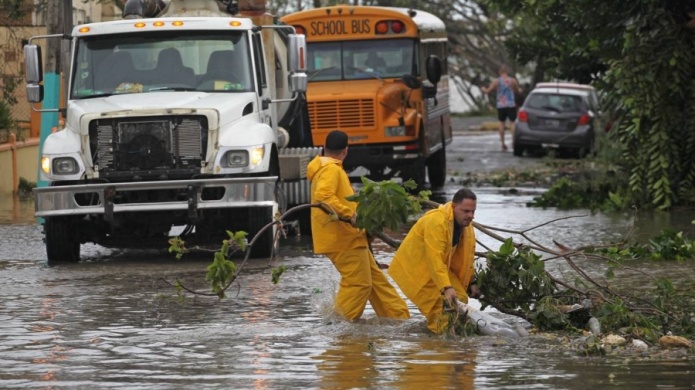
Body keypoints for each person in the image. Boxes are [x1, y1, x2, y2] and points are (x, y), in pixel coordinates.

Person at [306, 130, 410, 321]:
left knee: (376, 281)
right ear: (346, 150)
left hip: (351, 237)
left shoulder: (327, 167)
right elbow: (323, 197)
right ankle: (338, 324)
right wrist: (351, 215)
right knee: (359, 284)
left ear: (324, 148)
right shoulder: (331, 169)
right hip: (342, 238)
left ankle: (398, 320)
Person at [388, 188, 480, 334]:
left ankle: (453, 339)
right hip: (415, 269)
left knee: (461, 298)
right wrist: (446, 287)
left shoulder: (465, 226)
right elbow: (434, 258)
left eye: (472, 211)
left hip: (438, 268)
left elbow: (464, 257)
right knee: (440, 309)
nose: (470, 216)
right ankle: (440, 350)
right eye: (466, 211)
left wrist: (472, 282)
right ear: (454, 207)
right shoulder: (437, 222)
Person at [482, 65, 522, 151]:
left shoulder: (497, 81)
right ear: (507, 72)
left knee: (501, 123)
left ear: (500, 72)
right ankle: (513, 142)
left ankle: (503, 144)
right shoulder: (512, 81)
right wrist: (520, 90)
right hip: (511, 104)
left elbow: (488, 91)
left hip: (501, 105)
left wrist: (483, 89)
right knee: (512, 123)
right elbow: (518, 91)